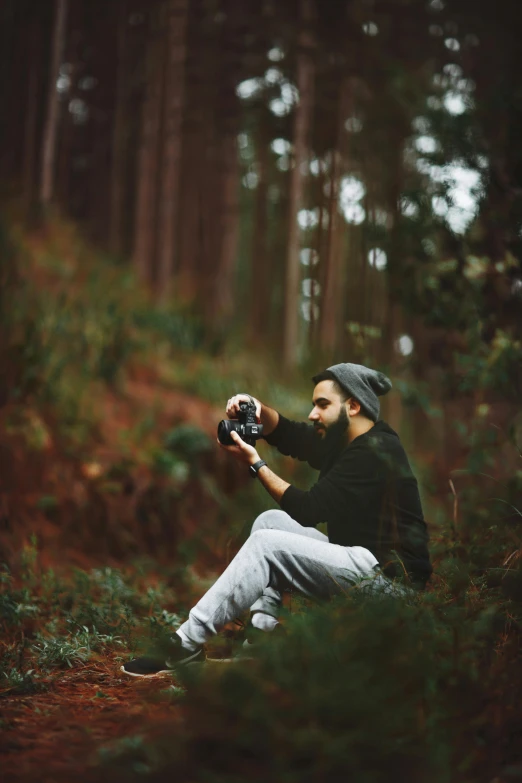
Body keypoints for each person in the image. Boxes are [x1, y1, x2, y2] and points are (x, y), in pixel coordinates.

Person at [122, 362, 432, 677]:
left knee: (267, 544)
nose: (313, 414)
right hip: (361, 561)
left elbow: (309, 509)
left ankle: (184, 644)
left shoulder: (375, 451)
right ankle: (261, 637)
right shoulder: (347, 440)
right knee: (270, 522)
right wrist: (257, 409)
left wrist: (255, 464)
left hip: (391, 586)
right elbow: (289, 434)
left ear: (353, 406)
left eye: (322, 405)